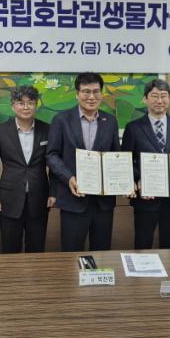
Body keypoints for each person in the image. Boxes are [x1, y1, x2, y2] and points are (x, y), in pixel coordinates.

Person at [47, 72, 121, 251]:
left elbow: (116, 156)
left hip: (103, 203)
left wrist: (123, 181)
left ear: (102, 94)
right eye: (86, 91)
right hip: (73, 199)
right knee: (71, 253)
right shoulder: (61, 120)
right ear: (77, 94)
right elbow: (52, 155)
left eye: (96, 91)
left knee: (102, 252)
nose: (91, 97)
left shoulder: (110, 121)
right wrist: (69, 177)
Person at [122, 79, 170, 249]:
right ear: (145, 99)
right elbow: (126, 161)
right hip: (146, 198)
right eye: (154, 96)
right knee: (142, 244)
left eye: (163, 96)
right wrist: (137, 180)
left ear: (169, 99)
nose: (159, 100)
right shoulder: (133, 128)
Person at [0, 86, 55, 253]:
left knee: (36, 248)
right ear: (13, 106)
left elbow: (53, 163)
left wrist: (54, 192)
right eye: (21, 103)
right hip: (9, 200)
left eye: (30, 103)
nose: (26, 107)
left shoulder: (47, 130)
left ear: (36, 105)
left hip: (39, 198)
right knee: (10, 248)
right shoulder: (1, 131)